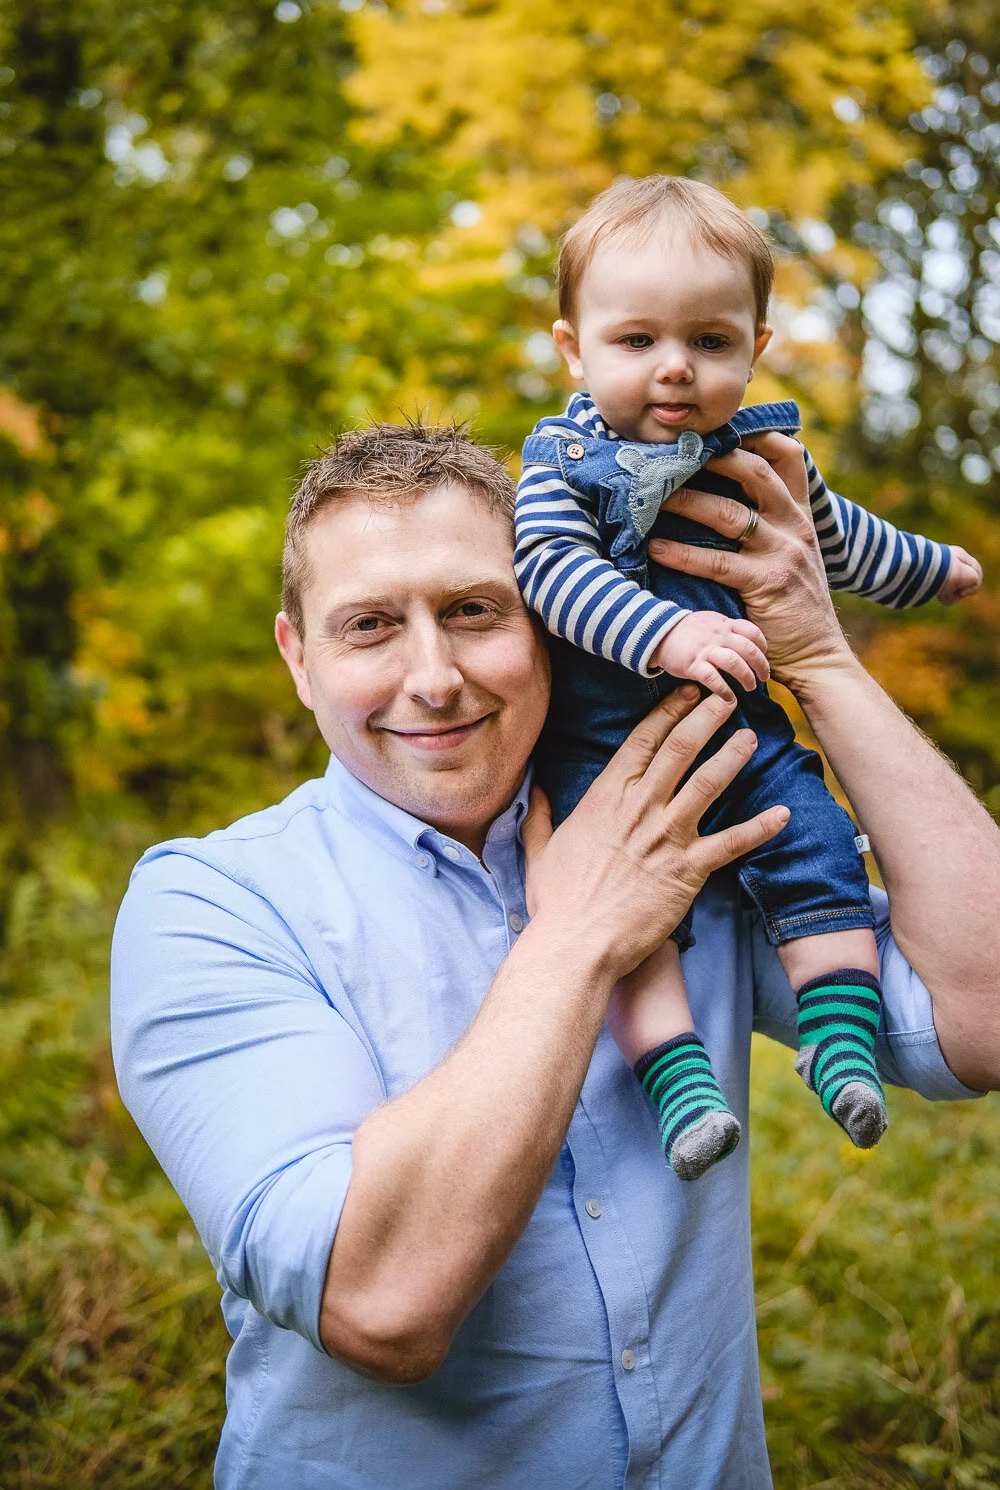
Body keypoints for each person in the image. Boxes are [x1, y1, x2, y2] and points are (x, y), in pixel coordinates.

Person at [111, 421, 1000, 1490]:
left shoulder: (679, 821)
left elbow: (982, 1018)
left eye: (475, 612)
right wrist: (580, 934)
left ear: (551, 623)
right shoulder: (211, 903)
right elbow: (379, 1304)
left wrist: (815, 658)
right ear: (300, 660)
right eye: (369, 627)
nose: (432, 677)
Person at [514, 174, 983, 1177]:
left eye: (710, 342)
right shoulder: (559, 464)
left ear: (755, 347)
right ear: (574, 348)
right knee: (619, 911)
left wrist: (929, 566)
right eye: (637, 342)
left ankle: (840, 1042)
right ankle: (678, 1081)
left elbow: (838, 543)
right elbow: (548, 574)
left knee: (817, 846)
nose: (674, 369)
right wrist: (662, 637)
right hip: (600, 749)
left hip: (744, 737)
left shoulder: (763, 453)